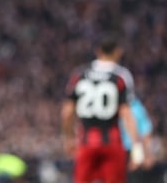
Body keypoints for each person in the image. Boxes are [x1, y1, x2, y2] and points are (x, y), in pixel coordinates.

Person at [61, 33, 145, 183]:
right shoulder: (121, 76)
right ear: (118, 51)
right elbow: (126, 113)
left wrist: (68, 138)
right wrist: (136, 147)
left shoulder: (80, 74)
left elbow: (67, 112)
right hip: (112, 141)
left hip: (85, 140)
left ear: (98, 51)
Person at [120, 97, 156, 183]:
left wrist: (144, 154)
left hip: (130, 151)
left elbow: (145, 131)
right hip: (115, 151)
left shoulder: (135, 105)